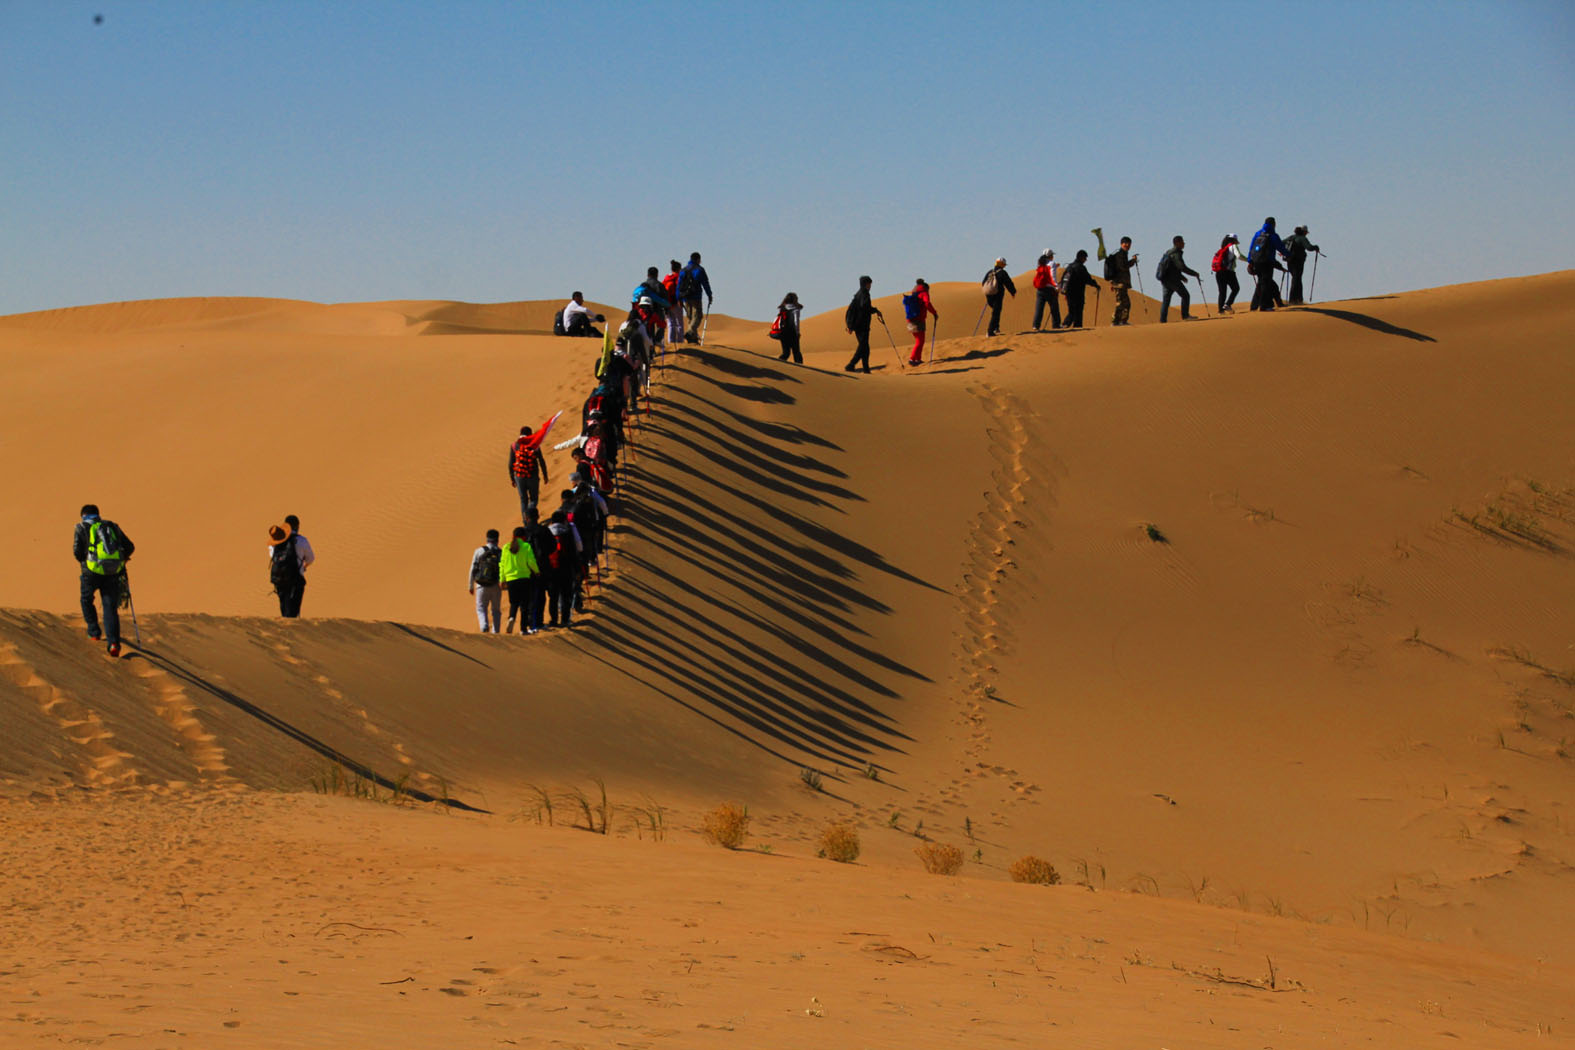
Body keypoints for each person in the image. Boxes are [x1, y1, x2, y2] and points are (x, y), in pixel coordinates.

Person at [73, 504, 134, 658]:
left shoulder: (81, 528)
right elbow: (130, 546)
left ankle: (94, 632)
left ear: (83, 516)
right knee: (110, 608)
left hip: (90, 573)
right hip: (113, 572)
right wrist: (121, 560)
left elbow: (77, 552)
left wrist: (86, 561)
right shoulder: (112, 526)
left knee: (86, 599)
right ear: (98, 514)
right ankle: (114, 643)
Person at [499, 525, 541, 635]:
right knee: (524, 605)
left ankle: (512, 617)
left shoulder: (505, 547)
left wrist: (502, 579)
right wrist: (536, 571)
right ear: (523, 537)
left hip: (510, 579)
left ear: (513, 536)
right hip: (524, 578)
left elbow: (502, 565)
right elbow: (531, 561)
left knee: (513, 603)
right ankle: (523, 629)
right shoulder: (526, 546)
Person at [544, 509, 583, 628]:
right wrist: (577, 570)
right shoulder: (568, 533)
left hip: (551, 569)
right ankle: (565, 620)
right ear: (563, 520)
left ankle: (554, 620)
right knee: (566, 595)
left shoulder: (547, 533)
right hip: (566, 569)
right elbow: (575, 552)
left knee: (553, 597)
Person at [509, 425, 550, 522]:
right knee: (533, 499)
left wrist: (512, 478)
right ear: (530, 434)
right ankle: (531, 518)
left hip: (519, 476)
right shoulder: (534, 444)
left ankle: (525, 521)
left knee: (523, 500)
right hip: (533, 475)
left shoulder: (514, 445)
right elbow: (541, 460)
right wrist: (545, 475)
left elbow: (511, 464)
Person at [843, 276, 883, 373]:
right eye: (869, 284)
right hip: (861, 325)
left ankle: (866, 369)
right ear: (866, 284)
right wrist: (875, 310)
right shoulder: (864, 294)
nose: (870, 286)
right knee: (863, 346)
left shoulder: (858, 294)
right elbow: (865, 307)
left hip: (858, 325)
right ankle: (851, 365)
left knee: (865, 347)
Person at [1156, 236, 1200, 322]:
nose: (1184, 243)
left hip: (1165, 279)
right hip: (1173, 280)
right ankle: (1185, 316)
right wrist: (1194, 273)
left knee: (1166, 300)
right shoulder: (1176, 253)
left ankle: (1163, 320)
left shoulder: (1168, 252)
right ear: (1178, 243)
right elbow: (1181, 267)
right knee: (1185, 295)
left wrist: (1182, 277)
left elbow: (1173, 268)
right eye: (1182, 242)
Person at [1247, 217, 1288, 312]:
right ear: (1274, 224)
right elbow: (1281, 248)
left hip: (1256, 262)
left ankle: (1254, 306)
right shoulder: (1273, 235)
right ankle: (1265, 306)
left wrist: (1250, 261)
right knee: (1265, 283)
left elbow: (1251, 247)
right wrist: (1289, 255)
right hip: (1267, 263)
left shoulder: (1258, 233)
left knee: (1261, 282)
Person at [467, 528, 503, 633]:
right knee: (496, 610)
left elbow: (472, 569)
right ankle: (496, 631)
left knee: (481, 608)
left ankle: (484, 626)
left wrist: (470, 585)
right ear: (497, 539)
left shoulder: (479, 551)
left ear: (487, 539)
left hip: (481, 585)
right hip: (496, 585)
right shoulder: (500, 552)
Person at [678, 252, 713, 343]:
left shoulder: (683, 270)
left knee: (690, 317)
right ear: (698, 259)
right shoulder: (699, 270)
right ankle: (690, 332)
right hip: (696, 297)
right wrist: (709, 295)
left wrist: (678, 298)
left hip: (685, 297)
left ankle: (692, 339)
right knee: (697, 316)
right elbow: (705, 283)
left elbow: (679, 285)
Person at [1060, 250, 1099, 329]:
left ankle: (1065, 325)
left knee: (1072, 311)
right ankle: (1073, 327)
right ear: (1082, 258)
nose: (1086, 260)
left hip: (1069, 293)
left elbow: (1063, 279)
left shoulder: (1069, 266)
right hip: (1078, 293)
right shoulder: (1080, 267)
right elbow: (1087, 279)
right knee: (1077, 312)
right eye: (1085, 258)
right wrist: (1095, 285)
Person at [1103, 237, 1137, 326]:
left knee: (1125, 303)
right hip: (1119, 283)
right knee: (1121, 303)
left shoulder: (1124, 254)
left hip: (1122, 283)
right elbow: (1122, 267)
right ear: (1121, 244)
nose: (1127, 245)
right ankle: (1115, 321)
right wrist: (1132, 262)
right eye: (1125, 243)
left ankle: (1122, 321)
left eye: (1129, 243)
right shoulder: (1120, 255)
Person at [903, 279, 938, 366]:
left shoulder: (914, 293)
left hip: (911, 319)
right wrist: (934, 313)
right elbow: (927, 303)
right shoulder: (924, 293)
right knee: (920, 341)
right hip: (918, 320)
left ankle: (918, 359)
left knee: (920, 340)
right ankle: (912, 359)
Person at [981, 257, 1017, 337]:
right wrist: (1013, 292)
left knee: (995, 311)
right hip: (997, 295)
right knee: (996, 313)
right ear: (1002, 264)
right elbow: (1008, 283)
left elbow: (983, 282)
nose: (1004, 266)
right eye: (1004, 264)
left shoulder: (990, 272)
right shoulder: (1002, 273)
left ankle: (996, 328)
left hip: (988, 295)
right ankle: (990, 332)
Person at [1285, 225, 1321, 305]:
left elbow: (1281, 243)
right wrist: (1316, 247)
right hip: (1298, 262)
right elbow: (1309, 247)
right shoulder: (1302, 238)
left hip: (1289, 261)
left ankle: (1298, 299)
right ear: (1304, 232)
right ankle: (1294, 300)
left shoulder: (1291, 237)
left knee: (1296, 279)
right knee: (1296, 279)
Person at [1212, 234, 1247, 313]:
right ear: (1234, 240)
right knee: (1236, 288)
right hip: (1228, 272)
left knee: (1222, 292)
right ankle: (1228, 304)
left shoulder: (1223, 248)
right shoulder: (1233, 246)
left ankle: (1221, 311)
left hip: (1218, 272)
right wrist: (1248, 260)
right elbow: (1239, 256)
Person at [1031, 252, 1061, 331]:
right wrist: (1056, 287)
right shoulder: (1052, 263)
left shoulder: (1041, 263)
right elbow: (1052, 276)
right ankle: (1056, 325)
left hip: (1040, 289)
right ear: (1050, 256)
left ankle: (1035, 325)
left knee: (1039, 308)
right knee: (1054, 307)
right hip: (1049, 289)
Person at [661, 260, 685, 352]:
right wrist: (680, 300)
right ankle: (679, 342)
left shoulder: (667, 278)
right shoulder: (678, 278)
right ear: (679, 269)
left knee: (670, 323)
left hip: (667, 304)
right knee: (679, 323)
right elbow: (680, 290)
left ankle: (671, 341)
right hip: (676, 303)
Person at [774, 292, 803, 364]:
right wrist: (797, 332)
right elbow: (796, 322)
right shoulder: (796, 310)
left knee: (786, 353)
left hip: (783, 333)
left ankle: (778, 365)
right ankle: (800, 369)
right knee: (796, 352)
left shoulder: (782, 308)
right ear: (794, 300)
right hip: (792, 333)